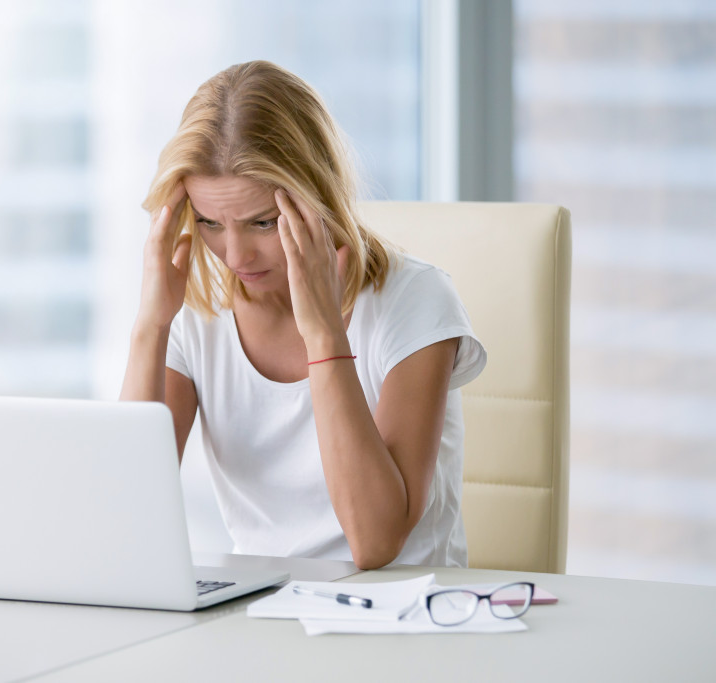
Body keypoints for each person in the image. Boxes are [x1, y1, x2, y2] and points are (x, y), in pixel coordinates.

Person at [120, 61, 486, 570]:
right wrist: (150, 327)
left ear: (316, 197)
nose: (235, 255)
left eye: (262, 222)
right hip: (263, 618)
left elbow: (376, 543)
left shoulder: (415, 302)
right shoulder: (196, 319)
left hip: (400, 621)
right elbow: (125, 519)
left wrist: (323, 334)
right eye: (209, 222)